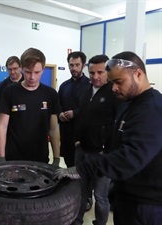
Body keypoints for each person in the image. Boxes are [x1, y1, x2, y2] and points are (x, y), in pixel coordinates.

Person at [54, 51, 162, 225]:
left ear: (139, 74)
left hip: (147, 205)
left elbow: (131, 157)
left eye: (119, 82)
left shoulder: (152, 109)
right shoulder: (129, 104)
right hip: (127, 197)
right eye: (112, 83)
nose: (113, 88)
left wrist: (82, 168)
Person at [72, 54, 119, 225]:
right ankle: (77, 220)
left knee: (100, 195)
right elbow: (80, 117)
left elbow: (117, 125)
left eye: (100, 72)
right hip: (83, 150)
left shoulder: (115, 94)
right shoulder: (85, 92)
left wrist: (108, 149)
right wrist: (77, 140)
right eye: (92, 73)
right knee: (80, 190)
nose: (95, 76)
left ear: (107, 72)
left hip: (103, 155)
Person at [0, 47, 60, 165]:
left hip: (40, 157)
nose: (32, 77)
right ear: (22, 69)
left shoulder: (50, 94)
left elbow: (54, 128)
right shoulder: (9, 92)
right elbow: (2, 126)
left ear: (43, 69)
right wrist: (1, 158)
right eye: (28, 72)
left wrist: (56, 158)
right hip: (14, 157)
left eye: (37, 72)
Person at [58, 51, 90, 168]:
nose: (74, 68)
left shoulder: (90, 86)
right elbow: (58, 104)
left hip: (82, 136)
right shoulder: (63, 86)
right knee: (69, 165)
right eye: (71, 65)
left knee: (82, 170)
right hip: (66, 134)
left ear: (84, 65)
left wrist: (75, 113)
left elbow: (92, 109)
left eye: (77, 65)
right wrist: (60, 114)